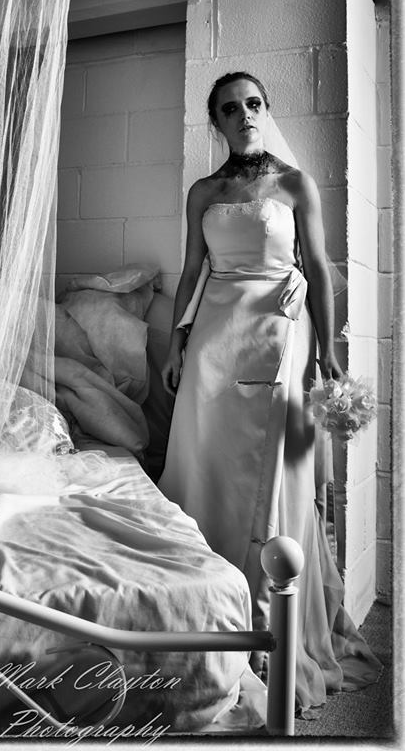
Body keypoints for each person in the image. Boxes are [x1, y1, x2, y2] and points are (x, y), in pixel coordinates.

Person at [157, 71, 381, 716]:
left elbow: (318, 270)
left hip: (279, 333)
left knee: (272, 468)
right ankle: (206, 602)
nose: (244, 114)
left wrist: (329, 348)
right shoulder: (204, 192)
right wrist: (175, 342)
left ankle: (267, 612)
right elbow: (192, 271)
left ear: (264, 110)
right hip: (213, 338)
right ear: (218, 122)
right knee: (205, 457)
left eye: (253, 104)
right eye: (230, 109)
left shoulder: (295, 184)